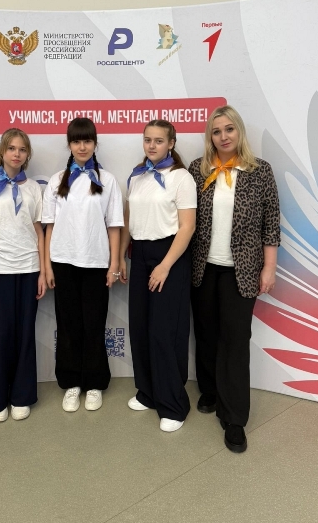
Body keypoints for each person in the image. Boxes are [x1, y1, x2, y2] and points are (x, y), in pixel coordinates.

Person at [188, 105, 280, 453]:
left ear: (239, 131)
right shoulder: (198, 170)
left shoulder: (260, 171)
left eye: (229, 129)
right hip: (202, 267)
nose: (223, 136)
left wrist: (268, 268)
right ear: (209, 136)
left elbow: (271, 223)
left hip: (242, 270)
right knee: (206, 333)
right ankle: (210, 390)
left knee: (236, 340)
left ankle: (235, 417)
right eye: (216, 131)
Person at [119, 120, 196, 433]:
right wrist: (122, 256)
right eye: (147, 140)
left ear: (171, 143)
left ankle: (174, 404)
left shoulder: (181, 178)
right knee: (140, 327)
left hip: (170, 255)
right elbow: (129, 220)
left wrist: (164, 266)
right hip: (139, 254)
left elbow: (187, 227)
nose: (152, 146)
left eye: (159, 141)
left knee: (165, 331)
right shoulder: (137, 176)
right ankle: (148, 392)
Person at [43, 118, 123, 413]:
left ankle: (95, 383)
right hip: (63, 262)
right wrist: (47, 266)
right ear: (69, 144)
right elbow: (49, 226)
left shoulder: (107, 181)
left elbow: (114, 226)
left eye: (87, 141)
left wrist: (114, 264)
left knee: (94, 325)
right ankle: (71, 383)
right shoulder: (56, 181)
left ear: (95, 144)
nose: (82, 146)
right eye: (76, 141)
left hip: (96, 263)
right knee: (68, 326)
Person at [0, 128, 46, 423]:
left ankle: (21, 396)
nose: (17, 153)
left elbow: (39, 232)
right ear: (2, 152)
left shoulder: (34, 189)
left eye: (22, 149)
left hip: (28, 269)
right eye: (12, 148)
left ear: (28, 155)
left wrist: (42, 272)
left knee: (24, 335)